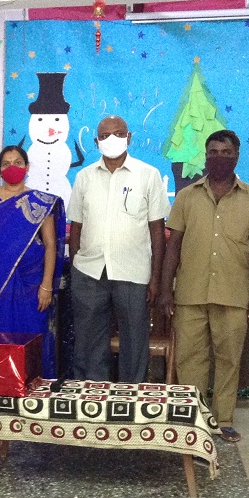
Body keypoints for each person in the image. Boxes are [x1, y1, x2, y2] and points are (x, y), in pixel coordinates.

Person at [160, 129, 249, 443]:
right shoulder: (186, 196)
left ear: (237, 156)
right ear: (205, 157)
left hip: (233, 293)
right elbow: (173, 246)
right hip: (190, 293)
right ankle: (194, 419)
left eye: (226, 153)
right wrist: (166, 290)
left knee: (229, 360)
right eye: (213, 153)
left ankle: (223, 420)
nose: (219, 158)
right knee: (190, 360)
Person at [68, 115, 169, 383]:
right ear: (96, 142)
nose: (111, 139)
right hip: (89, 273)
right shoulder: (84, 177)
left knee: (134, 341)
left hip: (133, 273)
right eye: (105, 136)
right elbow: (76, 227)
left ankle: (130, 396)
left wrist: (155, 277)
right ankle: (92, 394)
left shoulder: (149, 175)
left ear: (129, 137)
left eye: (118, 133)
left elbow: (157, 230)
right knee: (89, 341)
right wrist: (77, 266)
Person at [0, 145, 65, 377]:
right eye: (6, 164)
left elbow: (51, 245)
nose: (12, 167)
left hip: (33, 284)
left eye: (17, 162)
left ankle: (36, 390)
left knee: (34, 335)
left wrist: (46, 285)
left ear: (27, 167)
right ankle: (1, 391)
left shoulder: (40, 201)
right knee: (0, 335)